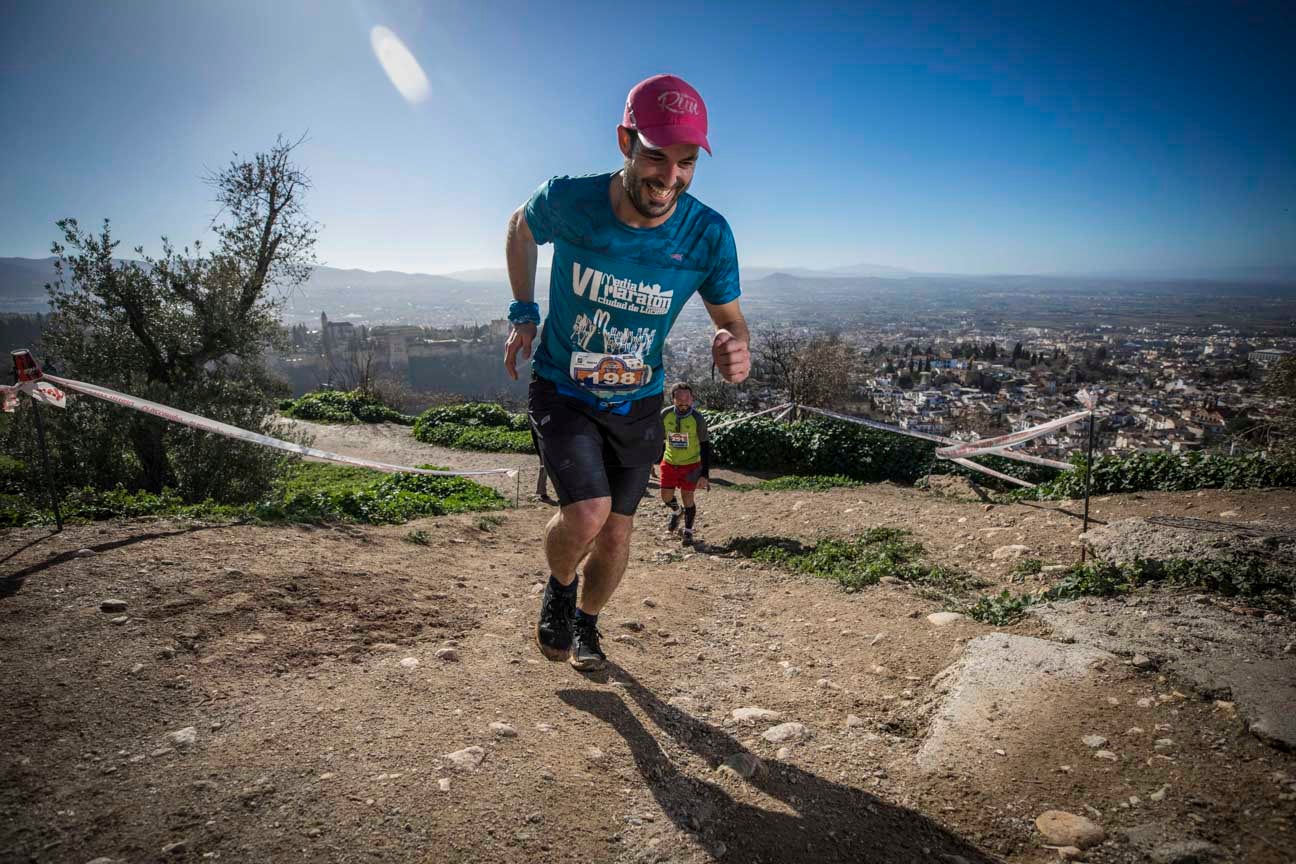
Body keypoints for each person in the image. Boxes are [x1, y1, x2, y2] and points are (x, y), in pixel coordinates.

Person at [503, 73, 750, 671]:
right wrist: (525, 314)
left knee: (616, 532)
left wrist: (734, 349)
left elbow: (733, 323)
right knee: (586, 512)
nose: (669, 178)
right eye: (656, 158)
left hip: (639, 399)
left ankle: (587, 625)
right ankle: (560, 588)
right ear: (625, 141)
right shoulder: (572, 200)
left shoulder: (708, 235)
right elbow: (520, 228)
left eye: (686, 163)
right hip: (563, 385)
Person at [659, 382, 710, 544]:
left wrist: (705, 474)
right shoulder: (665, 415)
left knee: (688, 497)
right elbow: (657, 438)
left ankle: (688, 531)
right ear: (673, 399)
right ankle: (676, 511)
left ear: (692, 399)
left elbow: (705, 446)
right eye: (679, 398)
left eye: (687, 398)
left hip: (691, 465)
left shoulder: (697, 418)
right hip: (669, 462)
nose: (683, 401)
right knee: (666, 497)